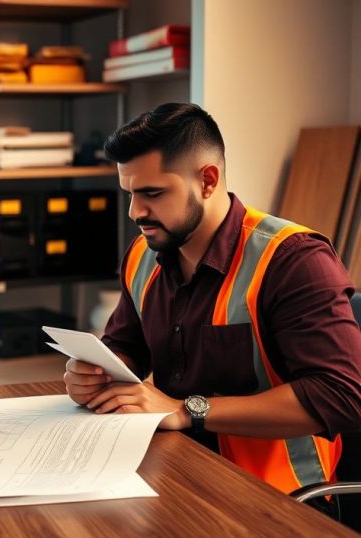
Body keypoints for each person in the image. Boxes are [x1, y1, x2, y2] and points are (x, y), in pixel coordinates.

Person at [63, 103, 361, 494]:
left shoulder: (293, 261)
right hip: (176, 469)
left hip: (276, 498)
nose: (136, 211)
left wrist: (186, 411)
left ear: (207, 180)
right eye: (130, 194)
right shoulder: (142, 254)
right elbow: (126, 346)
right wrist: (95, 375)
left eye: (152, 193)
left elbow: (341, 396)